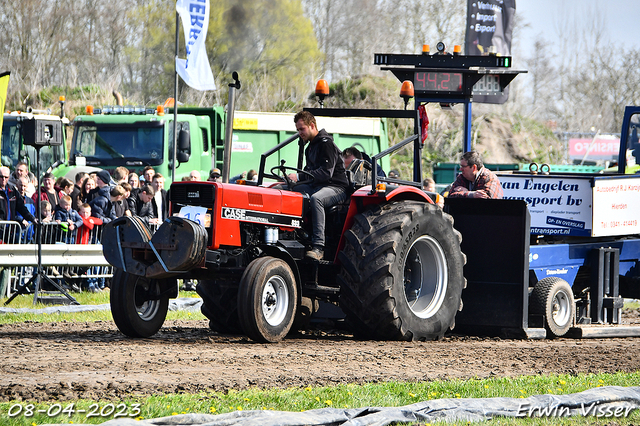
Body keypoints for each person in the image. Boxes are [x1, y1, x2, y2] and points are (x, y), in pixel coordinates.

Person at [287, 111, 349, 260]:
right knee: (290, 191)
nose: (300, 133)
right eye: (298, 130)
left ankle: (318, 247)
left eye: (302, 129)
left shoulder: (326, 144)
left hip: (336, 187)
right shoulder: (310, 148)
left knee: (317, 199)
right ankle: (296, 235)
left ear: (312, 125)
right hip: (317, 185)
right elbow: (311, 173)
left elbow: (326, 174)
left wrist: (300, 176)